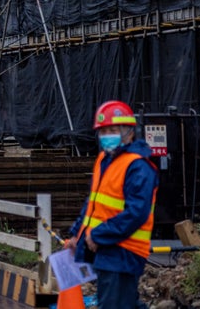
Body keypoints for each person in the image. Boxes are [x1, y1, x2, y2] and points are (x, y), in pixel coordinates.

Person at [68, 100, 158, 309]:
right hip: (106, 250)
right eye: (103, 131)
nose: (107, 135)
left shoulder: (138, 167)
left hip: (124, 251)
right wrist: (77, 234)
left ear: (129, 132)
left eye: (113, 130)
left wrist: (99, 235)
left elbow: (136, 213)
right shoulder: (104, 159)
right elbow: (93, 203)